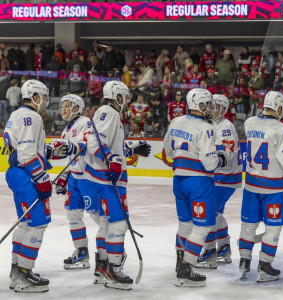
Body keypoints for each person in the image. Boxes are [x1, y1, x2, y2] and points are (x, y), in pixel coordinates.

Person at [82, 81, 151, 290]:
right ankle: (113, 268)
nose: (127, 102)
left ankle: (102, 265)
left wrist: (130, 150)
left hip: (102, 178)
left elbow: (110, 145)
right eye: (125, 97)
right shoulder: (109, 112)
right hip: (108, 180)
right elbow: (94, 143)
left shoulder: (108, 114)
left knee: (105, 223)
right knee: (118, 223)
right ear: (117, 97)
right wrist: (111, 158)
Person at [164, 88, 226, 287]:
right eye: (207, 104)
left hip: (178, 180)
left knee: (185, 225)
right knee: (203, 226)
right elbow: (209, 162)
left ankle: (180, 261)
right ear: (200, 105)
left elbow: (168, 151)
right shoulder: (206, 127)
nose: (210, 108)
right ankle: (186, 268)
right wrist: (221, 158)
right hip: (199, 182)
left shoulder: (176, 121)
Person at [3, 79, 61, 292]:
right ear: (34, 96)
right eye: (43, 97)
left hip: (17, 174)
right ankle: (24, 274)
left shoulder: (17, 114)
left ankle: (17, 271)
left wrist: (48, 152)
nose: (45, 101)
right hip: (27, 175)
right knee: (37, 222)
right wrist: (42, 178)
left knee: (26, 223)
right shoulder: (31, 116)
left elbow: (26, 147)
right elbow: (26, 153)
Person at [238, 91, 283, 282]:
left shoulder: (249, 123)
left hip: (250, 185)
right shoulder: (282, 129)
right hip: (272, 188)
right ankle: (264, 266)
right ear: (279, 107)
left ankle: (244, 261)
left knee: (248, 225)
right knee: (273, 228)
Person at [52, 94, 101, 270]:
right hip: (74, 177)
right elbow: (70, 155)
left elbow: (84, 145)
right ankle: (81, 252)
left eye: (66, 105)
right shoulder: (66, 130)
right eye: (62, 106)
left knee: (97, 215)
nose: (62, 109)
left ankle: (112, 246)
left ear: (76, 107)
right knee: (72, 214)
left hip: (89, 176)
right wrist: (64, 177)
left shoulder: (85, 123)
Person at [197, 94, 242, 268]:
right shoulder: (213, 124)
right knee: (216, 214)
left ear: (222, 110)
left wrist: (213, 162)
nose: (209, 109)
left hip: (225, 176)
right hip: (221, 176)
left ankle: (210, 253)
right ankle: (224, 248)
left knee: (209, 213)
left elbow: (227, 151)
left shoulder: (225, 127)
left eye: (213, 106)